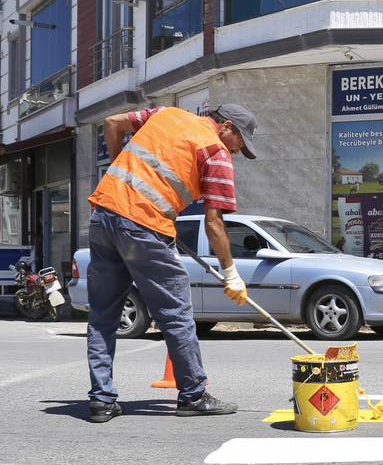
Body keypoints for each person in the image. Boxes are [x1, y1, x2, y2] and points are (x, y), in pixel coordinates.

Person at [84, 102, 260, 423]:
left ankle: (101, 401)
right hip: (143, 227)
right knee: (176, 314)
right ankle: (193, 394)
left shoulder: (167, 113)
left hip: (105, 216)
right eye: (240, 144)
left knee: (103, 316)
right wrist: (231, 273)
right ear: (227, 128)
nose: (236, 153)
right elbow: (214, 223)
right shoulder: (215, 151)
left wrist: (116, 170)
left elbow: (112, 122)